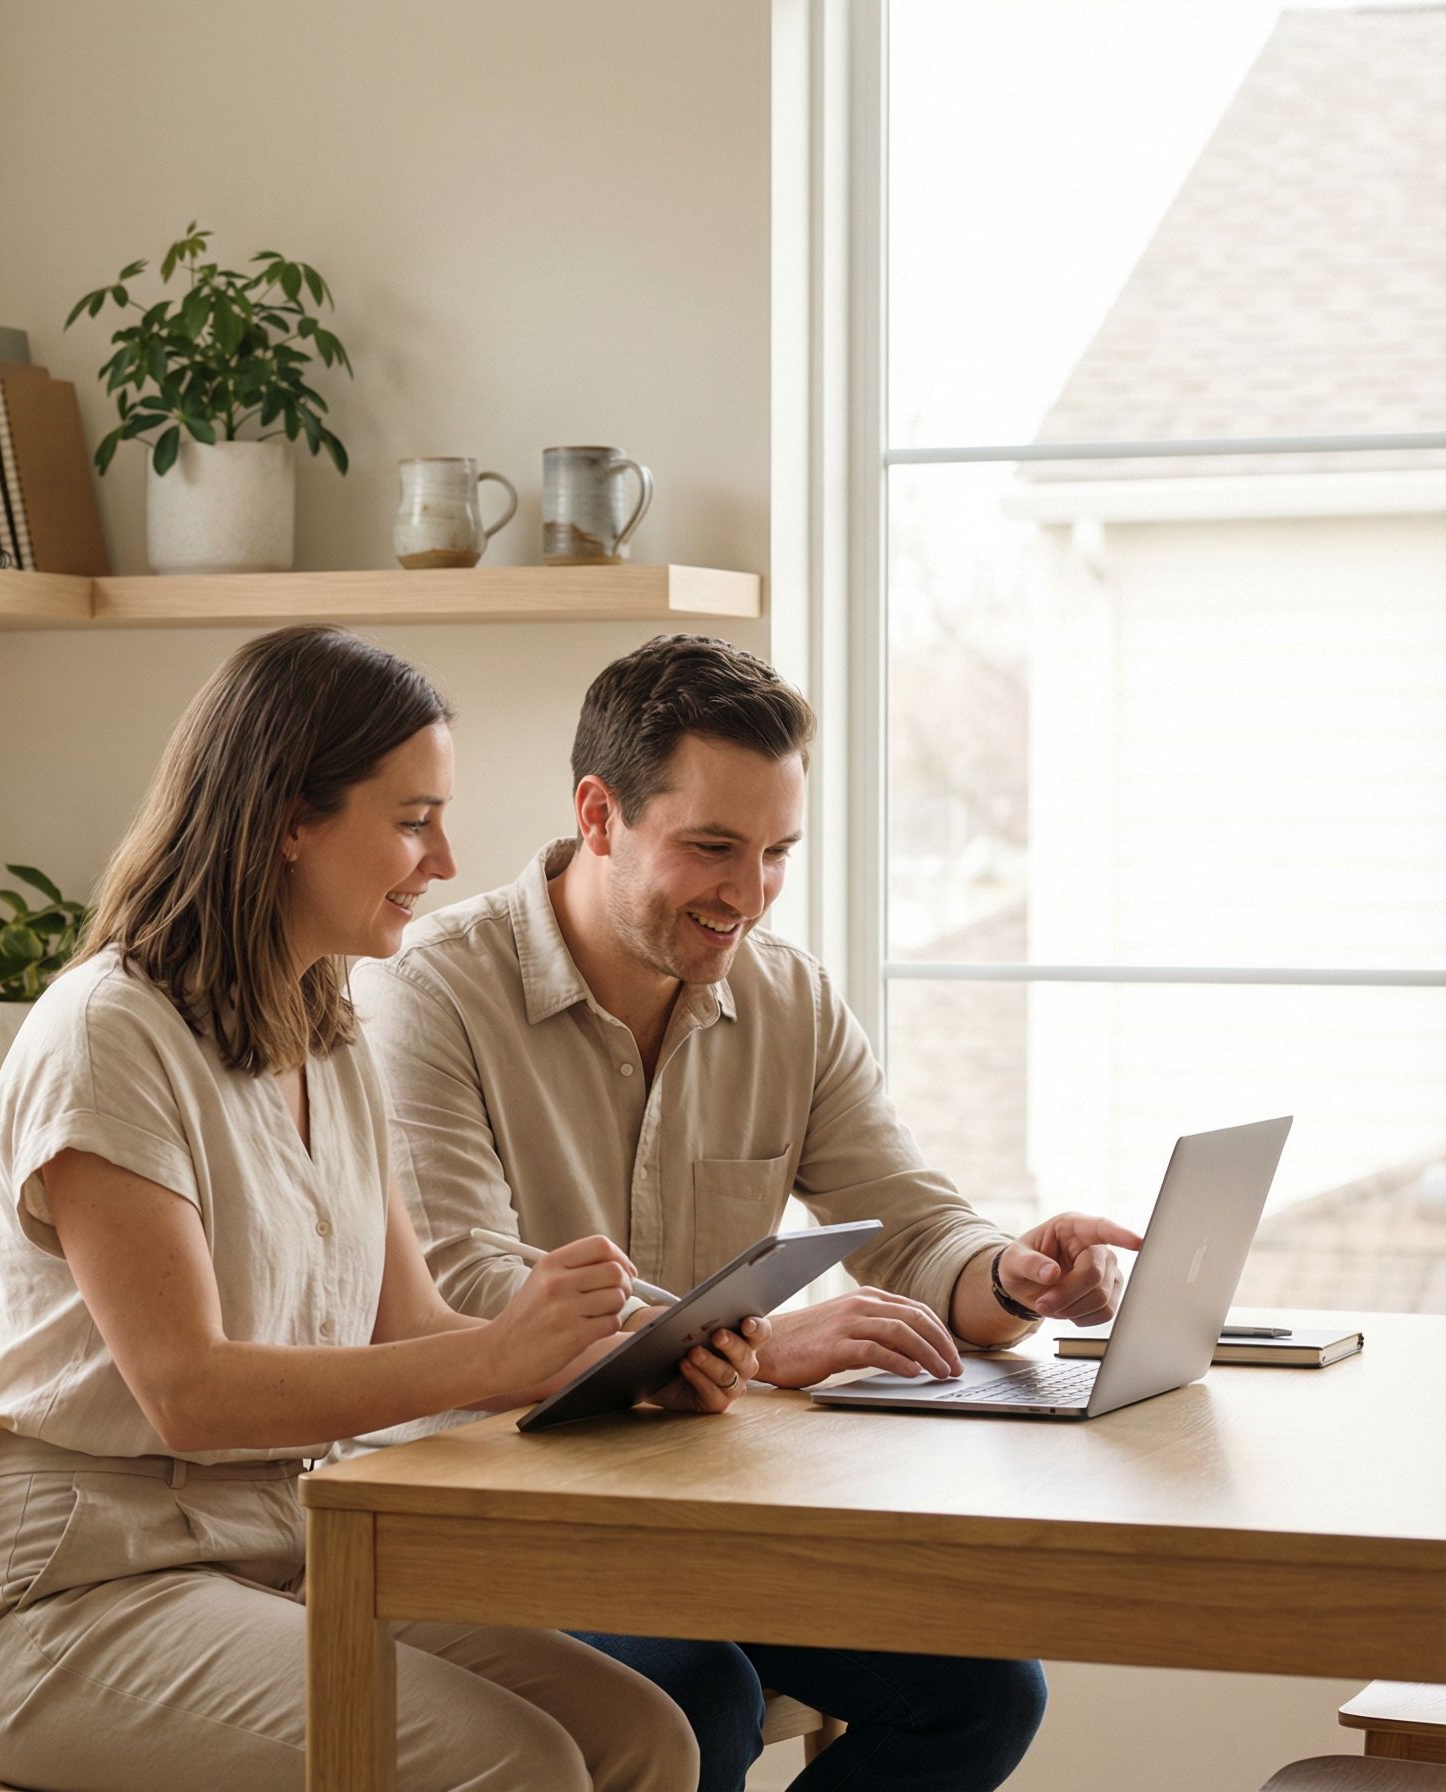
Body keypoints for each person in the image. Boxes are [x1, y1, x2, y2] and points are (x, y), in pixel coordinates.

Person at [0, 625, 763, 1792]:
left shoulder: (325, 1032)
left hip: (291, 1547)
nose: (446, 859)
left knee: (649, 1737)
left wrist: (614, 1364)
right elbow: (188, 1392)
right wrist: (502, 1351)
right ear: (291, 818)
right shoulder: (107, 1037)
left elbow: (409, 1326)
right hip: (84, 1596)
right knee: (519, 1766)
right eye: (414, 819)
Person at [352, 634, 1144, 1792]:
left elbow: (914, 1228)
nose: (750, 893)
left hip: (700, 1513)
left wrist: (1012, 1274)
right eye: (713, 847)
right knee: (698, 1693)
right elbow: (465, 1290)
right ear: (599, 815)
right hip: (485, 1511)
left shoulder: (787, 996)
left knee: (983, 1691)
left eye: (778, 853)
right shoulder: (425, 988)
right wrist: (759, 1343)